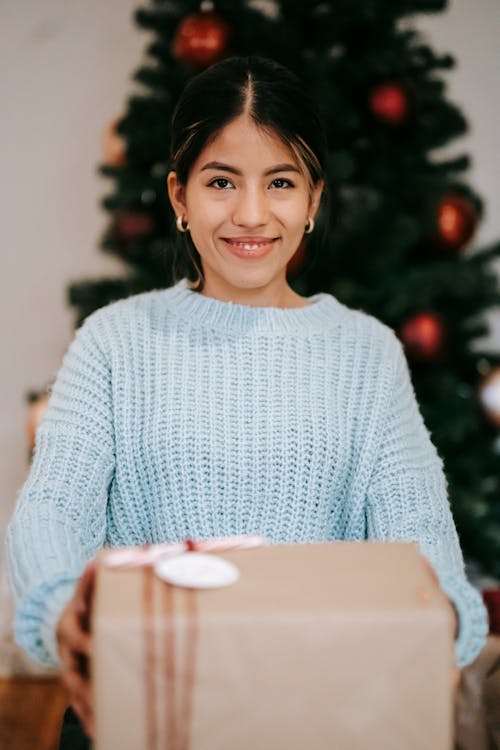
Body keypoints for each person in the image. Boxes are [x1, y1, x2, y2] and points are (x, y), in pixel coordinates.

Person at [6, 55, 488, 746]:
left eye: (281, 182)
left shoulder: (366, 352)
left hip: (322, 716)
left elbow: (420, 537)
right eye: (221, 181)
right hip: (145, 707)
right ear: (178, 197)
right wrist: (57, 606)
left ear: (314, 200)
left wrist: (439, 618)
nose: (252, 214)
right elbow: (53, 505)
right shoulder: (114, 341)